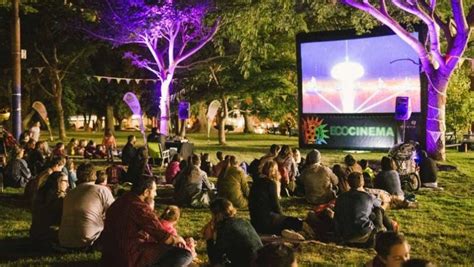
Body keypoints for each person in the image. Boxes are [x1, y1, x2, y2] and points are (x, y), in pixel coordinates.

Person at [101, 177, 192, 267]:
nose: (155, 194)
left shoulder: (120, 201)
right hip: (129, 257)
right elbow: (163, 236)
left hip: (109, 257)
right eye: (154, 191)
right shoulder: (139, 207)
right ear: (146, 192)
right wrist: (178, 239)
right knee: (185, 255)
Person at [58, 162, 115, 249]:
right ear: (95, 175)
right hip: (89, 240)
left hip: (64, 240)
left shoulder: (70, 193)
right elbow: (116, 213)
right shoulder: (101, 190)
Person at [203, 198, 263, 267]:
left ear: (218, 215)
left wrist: (209, 239)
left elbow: (215, 260)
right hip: (261, 260)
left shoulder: (225, 228)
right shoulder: (244, 222)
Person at [249, 161, 303, 235]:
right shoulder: (271, 184)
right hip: (266, 220)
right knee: (294, 222)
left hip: (255, 220)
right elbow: (275, 205)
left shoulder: (256, 182)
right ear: (274, 171)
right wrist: (282, 217)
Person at [334, 172, 387, 248]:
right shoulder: (369, 197)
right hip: (364, 233)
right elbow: (380, 207)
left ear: (348, 183)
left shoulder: (340, 198)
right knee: (378, 210)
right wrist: (385, 202)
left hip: (344, 234)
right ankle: (383, 232)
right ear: (363, 182)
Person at [29, 171, 68, 248]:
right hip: (49, 235)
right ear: (58, 182)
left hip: (35, 233)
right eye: (66, 181)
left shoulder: (40, 193)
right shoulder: (58, 197)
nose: (68, 184)